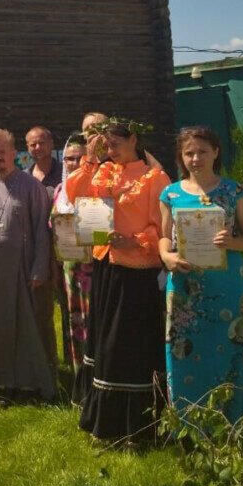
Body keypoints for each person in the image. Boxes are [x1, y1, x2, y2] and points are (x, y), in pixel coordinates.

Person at [63, 118, 171, 443]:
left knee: (127, 345)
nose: (110, 151)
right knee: (105, 343)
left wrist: (134, 240)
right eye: (106, 145)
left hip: (137, 271)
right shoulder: (104, 171)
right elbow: (76, 195)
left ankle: (136, 423)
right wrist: (90, 158)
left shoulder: (154, 177)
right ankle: (105, 419)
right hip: (106, 266)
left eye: (115, 144)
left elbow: (163, 227)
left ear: (134, 139)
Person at [159, 126, 243, 423]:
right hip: (185, 289)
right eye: (189, 153)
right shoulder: (170, 194)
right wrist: (166, 256)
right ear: (181, 156)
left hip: (228, 287)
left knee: (231, 351)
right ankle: (188, 426)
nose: (195, 159)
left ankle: (233, 423)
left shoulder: (234, 191)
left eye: (202, 151)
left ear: (216, 152)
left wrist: (232, 242)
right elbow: (164, 237)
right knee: (184, 355)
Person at [0, 129, 55, 405]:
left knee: (24, 325)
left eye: (2, 152)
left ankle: (29, 384)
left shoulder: (32, 187)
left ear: (14, 153)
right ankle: (2, 382)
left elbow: (42, 229)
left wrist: (39, 268)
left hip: (23, 268)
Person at [52, 132, 92, 379]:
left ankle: (98, 381)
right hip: (69, 269)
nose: (74, 163)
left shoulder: (97, 188)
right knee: (74, 323)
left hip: (94, 269)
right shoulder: (60, 191)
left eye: (80, 158)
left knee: (95, 323)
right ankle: (80, 380)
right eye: (69, 158)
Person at [25, 125, 63, 370]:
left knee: (71, 311)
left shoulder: (65, 173)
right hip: (38, 253)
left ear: (51, 144)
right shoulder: (25, 178)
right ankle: (49, 365)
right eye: (32, 144)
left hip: (66, 250)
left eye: (41, 142)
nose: (37, 148)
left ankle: (78, 361)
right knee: (41, 312)